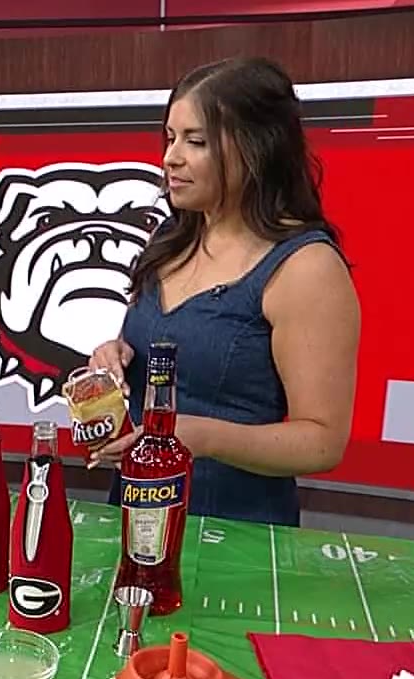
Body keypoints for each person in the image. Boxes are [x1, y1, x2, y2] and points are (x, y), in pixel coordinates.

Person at [89, 56, 361, 526]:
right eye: (170, 138)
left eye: (195, 141)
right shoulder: (170, 238)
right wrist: (115, 354)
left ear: (257, 149)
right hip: (136, 510)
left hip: (235, 530)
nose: (171, 158)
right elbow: (166, 346)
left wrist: (203, 437)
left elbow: (322, 442)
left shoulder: (306, 267)